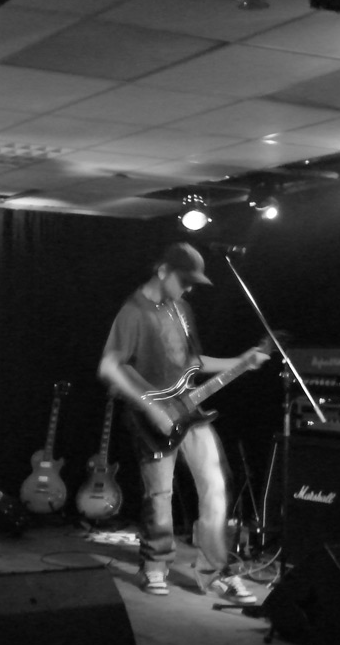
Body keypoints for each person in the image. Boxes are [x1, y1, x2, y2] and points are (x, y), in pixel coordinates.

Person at [98, 242, 268, 605]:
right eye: (184, 281)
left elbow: (193, 362)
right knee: (160, 495)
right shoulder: (133, 311)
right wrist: (152, 408)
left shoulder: (182, 309)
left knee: (216, 484)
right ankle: (154, 566)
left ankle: (215, 572)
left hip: (190, 410)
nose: (189, 289)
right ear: (163, 271)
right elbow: (110, 366)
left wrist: (240, 361)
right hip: (150, 416)